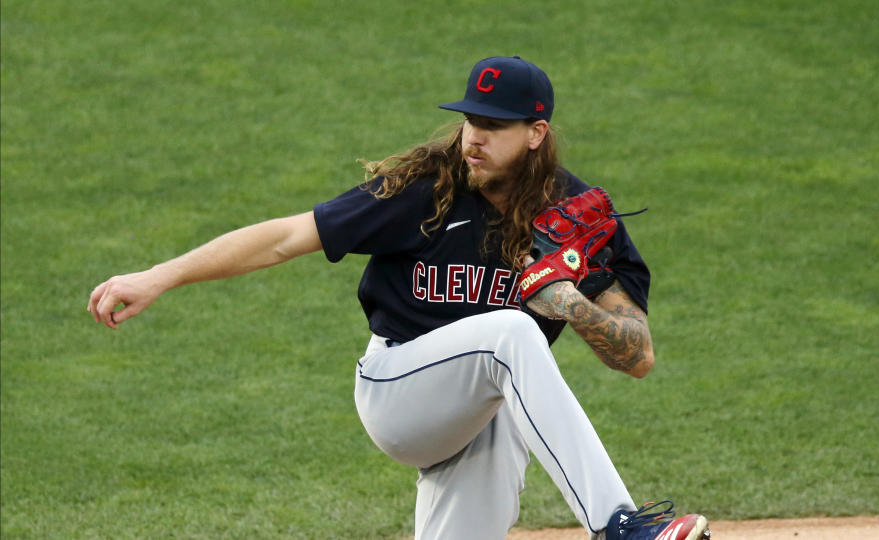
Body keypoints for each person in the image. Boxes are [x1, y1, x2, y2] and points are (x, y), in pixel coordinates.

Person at [88, 56, 710, 540]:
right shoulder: (424, 189)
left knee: (506, 391)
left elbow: (639, 356)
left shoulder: (574, 217)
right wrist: (157, 276)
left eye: (494, 126)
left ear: (535, 133)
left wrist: (569, 301)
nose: (474, 136)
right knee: (513, 335)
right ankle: (620, 524)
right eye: (471, 119)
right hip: (396, 390)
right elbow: (283, 238)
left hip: (479, 410)